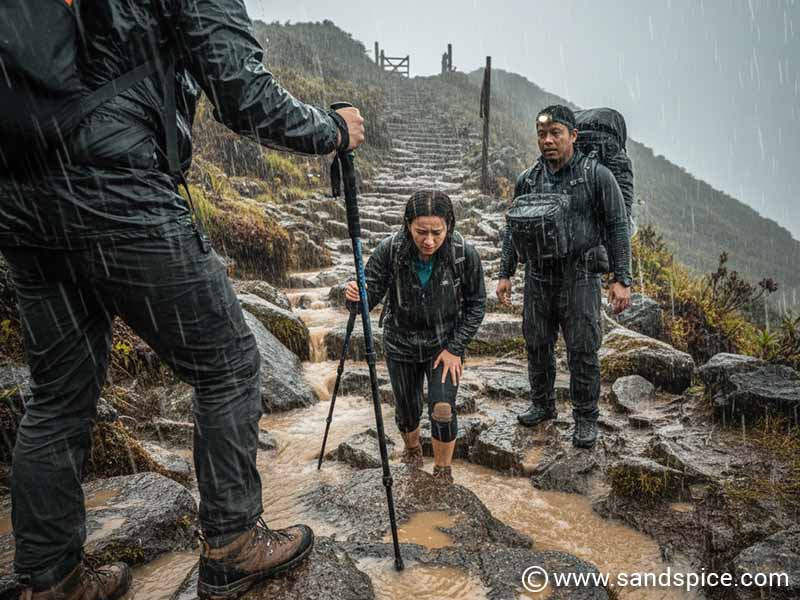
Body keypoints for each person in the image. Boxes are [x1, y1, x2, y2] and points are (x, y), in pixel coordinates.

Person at [0, 1, 365, 599]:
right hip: (119, 191)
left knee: (57, 394)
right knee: (227, 364)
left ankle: (50, 582)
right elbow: (242, 91)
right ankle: (232, 543)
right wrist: (332, 130)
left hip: (21, 200)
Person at [495, 105, 632, 449]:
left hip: (581, 276)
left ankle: (585, 418)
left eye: (556, 133)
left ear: (573, 136)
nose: (548, 141)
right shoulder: (529, 179)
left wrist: (621, 278)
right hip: (539, 277)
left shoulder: (596, 175)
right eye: (542, 134)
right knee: (536, 343)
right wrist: (505, 272)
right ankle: (542, 405)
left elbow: (617, 227)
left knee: (583, 350)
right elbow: (514, 227)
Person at [345, 191, 486, 484]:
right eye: (421, 232)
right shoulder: (390, 250)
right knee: (408, 411)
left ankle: (442, 473)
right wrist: (356, 296)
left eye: (437, 232)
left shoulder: (463, 253)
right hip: (401, 343)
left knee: (443, 408)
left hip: (444, 345)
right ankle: (412, 451)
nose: (429, 241)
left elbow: (477, 305)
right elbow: (367, 299)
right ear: (408, 225)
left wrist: (455, 347)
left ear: (449, 226)